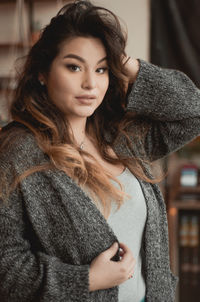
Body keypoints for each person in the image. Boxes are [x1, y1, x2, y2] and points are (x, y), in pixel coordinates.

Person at [0, 1, 199, 301]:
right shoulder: (18, 151)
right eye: (74, 66)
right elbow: (6, 266)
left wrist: (129, 64)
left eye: (102, 68)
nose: (90, 83)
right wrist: (85, 280)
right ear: (43, 72)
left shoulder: (121, 137)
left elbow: (193, 111)